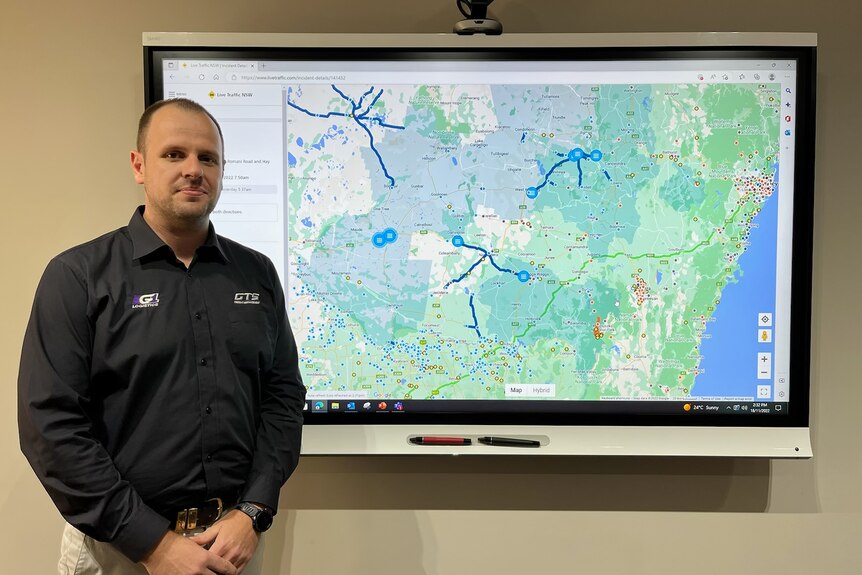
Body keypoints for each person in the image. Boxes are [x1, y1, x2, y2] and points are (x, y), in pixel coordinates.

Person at [18, 98, 306, 575]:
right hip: (118, 550)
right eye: (174, 154)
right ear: (139, 165)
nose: (193, 170)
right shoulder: (78, 276)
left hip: (230, 544)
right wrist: (153, 544)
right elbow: (51, 428)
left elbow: (283, 397)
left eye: (207, 157)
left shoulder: (256, 274)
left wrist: (253, 510)